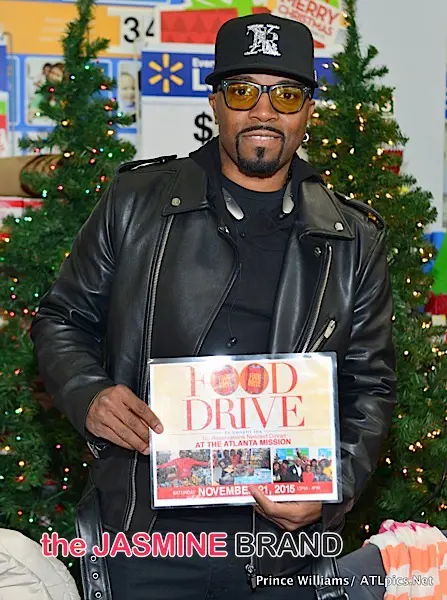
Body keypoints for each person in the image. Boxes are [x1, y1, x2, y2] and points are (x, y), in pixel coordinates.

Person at [30, 12, 396, 600]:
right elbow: (61, 319)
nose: (264, 111)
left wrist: (334, 487)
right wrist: (88, 394)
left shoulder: (353, 238)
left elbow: (370, 385)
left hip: (281, 547)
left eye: (286, 95)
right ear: (216, 101)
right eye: (244, 91)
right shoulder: (135, 203)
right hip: (147, 533)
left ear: (308, 110)